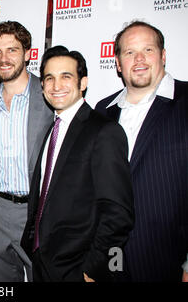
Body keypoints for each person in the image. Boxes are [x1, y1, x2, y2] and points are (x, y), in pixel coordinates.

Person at [21, 45, 134, 282]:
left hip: (76, 267)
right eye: (49, 78)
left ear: (83, 83)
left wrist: (92, 270)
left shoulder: (104, 131)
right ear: (42, 86)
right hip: (43, 260)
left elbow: (117, 213)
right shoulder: (54, 128)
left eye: (66, 76)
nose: (56, 85)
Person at [95, 21, 188, 282]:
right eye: (129, 52)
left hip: (169, 259)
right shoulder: (102, 111)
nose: (139, 59)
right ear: (117, 63)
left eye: (147, 50)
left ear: (163, 55)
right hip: (111, 256)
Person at [0, 21, 53, 282]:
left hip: (37, 212)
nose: (3, 58)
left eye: (12, 50)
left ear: (28, 54)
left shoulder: (49, 95)